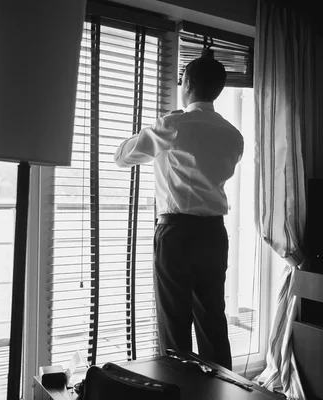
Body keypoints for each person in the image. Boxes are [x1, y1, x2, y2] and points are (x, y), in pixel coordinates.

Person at [113, 48, 244, 370]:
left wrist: (163, 126)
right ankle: (224, 390)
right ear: (218, 89)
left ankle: (178, 389)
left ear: (185, 82)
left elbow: (122, 157)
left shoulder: (172, 125)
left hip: (177, 233)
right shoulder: (233, 135)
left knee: (174, 320)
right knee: (212, 317)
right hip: (214, 233)